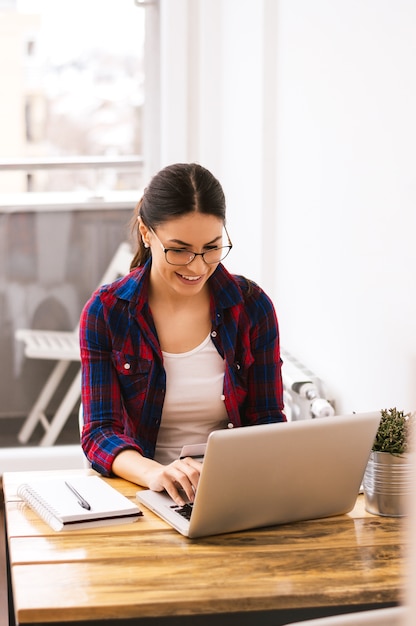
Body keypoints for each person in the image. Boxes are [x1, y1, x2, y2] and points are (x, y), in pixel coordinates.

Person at [79, 162, 285, 506]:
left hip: (233, 490)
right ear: (147, 233)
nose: (197, 265)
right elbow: (100, 433)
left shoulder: (252, 306)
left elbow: (267, 419)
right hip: (141, 490)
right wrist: (155, 473)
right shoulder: (107, 312)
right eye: (179, 249)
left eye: (212, 247)